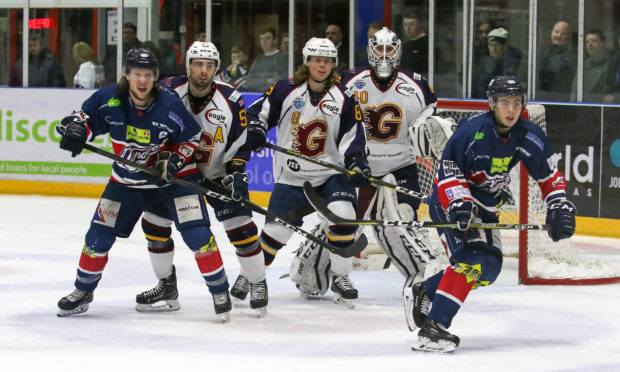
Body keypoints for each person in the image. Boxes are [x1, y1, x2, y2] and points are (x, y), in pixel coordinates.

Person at [55, 48, 231, 319]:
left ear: (155, 77)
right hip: (126, 182)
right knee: (97, 237)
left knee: (198, 234)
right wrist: (77, 130)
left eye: (148, 75)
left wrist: (173, 163)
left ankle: (220, 292)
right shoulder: (109, 99)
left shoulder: (168, 103)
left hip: (173, 181)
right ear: (127, 75)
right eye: (137, 74)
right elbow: (83, 119)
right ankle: (83, 290)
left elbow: (192, 138)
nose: (142, 81)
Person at [408, 75, 576, 353]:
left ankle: (427, 289)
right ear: (492, 104)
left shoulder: (529, 134)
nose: (511, 110)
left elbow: (549, 175)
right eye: (504, 103)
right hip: (450, 200)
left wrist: (558, 204)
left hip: (484, 207)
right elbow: (448, 171)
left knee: (489, 269)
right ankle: (433, 329)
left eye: (516, 103)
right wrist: (459, 202)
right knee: (472, 260)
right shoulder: (472, 131)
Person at [136, 41, 266, 319]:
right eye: (198, 64)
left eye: (209, 66)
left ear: (216, 69)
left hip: (217, 174)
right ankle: (166, 286)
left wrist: (236, 173)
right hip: (180, 175)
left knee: (241, 228)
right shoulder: (168, 90)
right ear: (188, 66)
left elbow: (239, 144)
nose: (203, 71)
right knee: (154, 221)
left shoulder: (231, 99)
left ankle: (258, 283)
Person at [244, 37, 369, 308]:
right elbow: (257, 114)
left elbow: (352, 137)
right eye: (317, 60)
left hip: (330, 176)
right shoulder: (284, 90)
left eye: (327, 61)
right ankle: (250, 276)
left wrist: (357, 161)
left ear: (333, 65)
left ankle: (341, 276)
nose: (322, 66)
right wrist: (255, 129)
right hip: (292, 177)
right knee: (275, 234)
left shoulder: (345, 98)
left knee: (344, 216)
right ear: (307, 62)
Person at [340, 27, 442, 281]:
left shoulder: (416, 83)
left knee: (403, 221)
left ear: (398, 52)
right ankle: (327, 272)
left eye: (389, 49)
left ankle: (420, 275)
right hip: (359, 166)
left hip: (400, 166)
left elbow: (430, 113)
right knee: (342, 223)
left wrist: (424, 128)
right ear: (370, 51)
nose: (384, 55)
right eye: (379, 48)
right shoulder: (349, 80)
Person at [472, 28, 523, 98]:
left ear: (504, 46)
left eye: (496, 45)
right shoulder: (482, 63)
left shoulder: (514, 62)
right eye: (490, 45)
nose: (493, 49)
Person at [571, 29, 616, 103]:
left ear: (603, 43)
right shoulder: (582, 65)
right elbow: (574, 92)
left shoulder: (612, 65)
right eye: (587, 41)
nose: (590, 44)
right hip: (582, 110)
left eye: (594, 41)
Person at [537, 21, 576, 101]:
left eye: (563, 33)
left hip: (559, 101)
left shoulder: (572, 58)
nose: (559, 35)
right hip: (539, 99)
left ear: (568, 37)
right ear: (551, 34)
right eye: (556, 32)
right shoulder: (540, 53)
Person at [240, 26, 288, 92]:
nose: (264, 41)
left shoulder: (283, 58)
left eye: (267, 38)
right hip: (254, 96)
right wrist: (266, 80)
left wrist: (257, 80)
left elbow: (277, 83)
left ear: (275, 40)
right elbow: (248, 82)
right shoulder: (258, 59)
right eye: (262, 39)